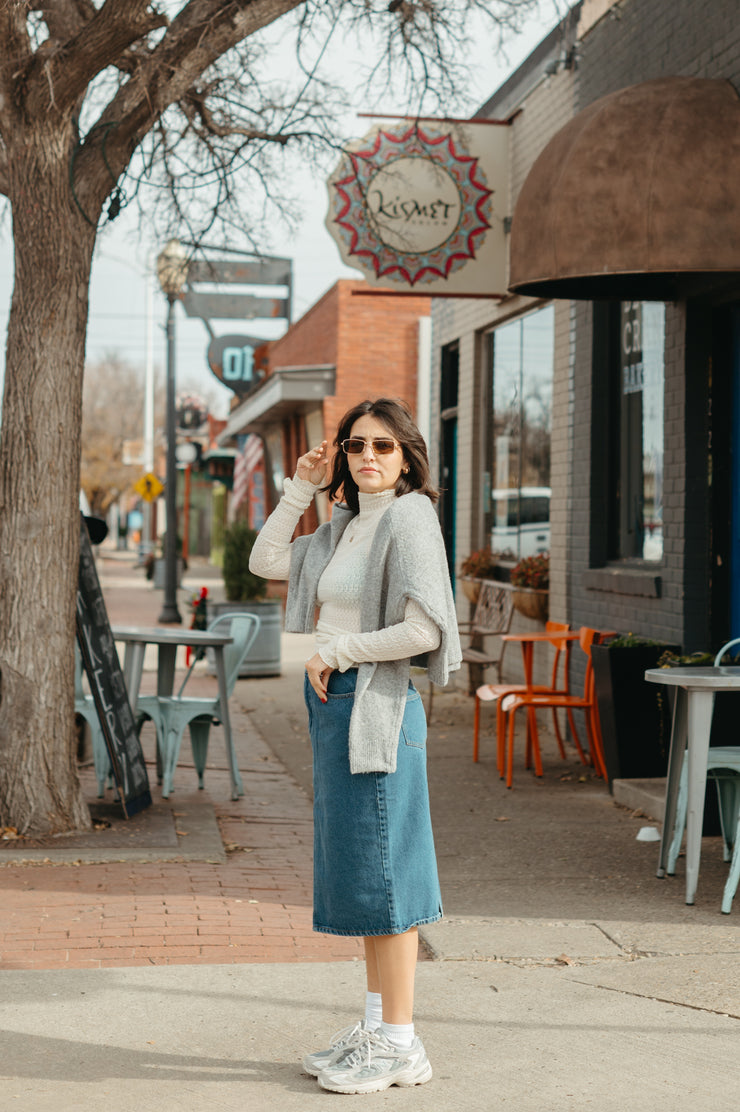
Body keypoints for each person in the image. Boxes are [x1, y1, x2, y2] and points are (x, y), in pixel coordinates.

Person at [249, 397, 461, 1095]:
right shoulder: (346, 525)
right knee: (366, 876)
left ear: (407, 457)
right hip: (338, 705)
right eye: (356, 445)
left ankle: (400, 1043)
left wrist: (341, 648)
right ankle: (379, 1028)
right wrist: (301, 489)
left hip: (378, 710)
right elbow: (267, 559)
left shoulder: (410, 517)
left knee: (389, 875)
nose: (368, 456)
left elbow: (425, 629)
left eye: (384, 446)